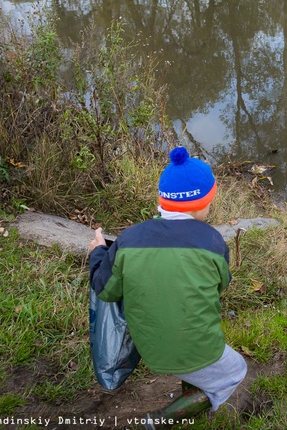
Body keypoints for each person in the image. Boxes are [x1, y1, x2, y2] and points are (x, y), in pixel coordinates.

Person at [89, 147, 247, 429]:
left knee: (195, 361)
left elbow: (105, 289)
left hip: (149, 348)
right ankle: (160, 420)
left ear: (162, 200)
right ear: (203, 203)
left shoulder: (129, 238)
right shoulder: (212, 242)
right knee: (235, 370)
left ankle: (191, 386)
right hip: (196, 348)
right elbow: (222, 284)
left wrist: (99, 252)